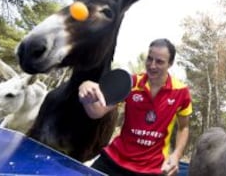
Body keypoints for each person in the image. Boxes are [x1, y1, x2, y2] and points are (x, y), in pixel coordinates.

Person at [78, 38, 192, 176]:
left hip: (153, 169)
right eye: (149, 59)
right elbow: (96, 112)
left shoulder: (181, 92)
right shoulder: (130, 82)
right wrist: (85, 97)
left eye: (159, 61)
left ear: (170, 64)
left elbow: (183, 127)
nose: (152, 65)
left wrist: (176, 155)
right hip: (115, 160)